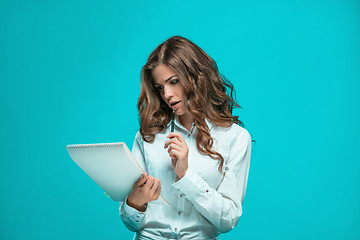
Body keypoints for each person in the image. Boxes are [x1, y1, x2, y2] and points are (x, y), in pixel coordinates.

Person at [119, 36, 252, 240]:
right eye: (160, 87)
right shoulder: (148, 135)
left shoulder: (235, 137)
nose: (167, 94)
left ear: (197, 76)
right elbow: (130, 222)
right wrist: (134, 202)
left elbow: (228, 220)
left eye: (173, 82)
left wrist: (186, 176)